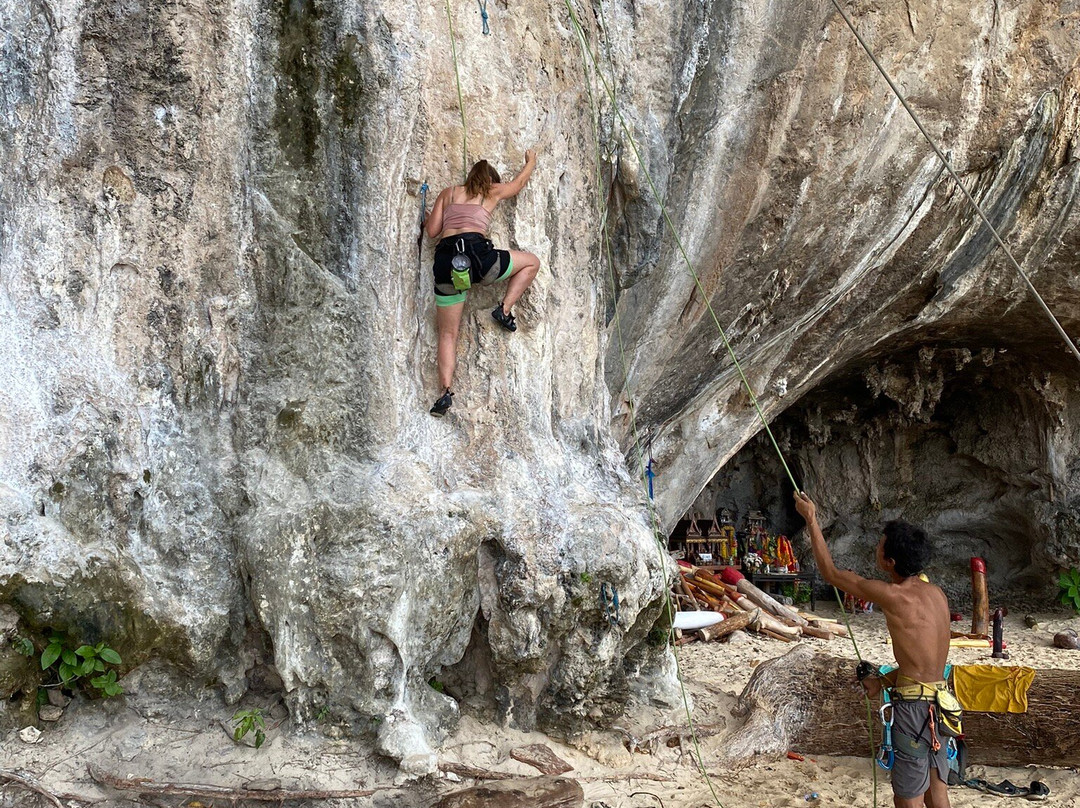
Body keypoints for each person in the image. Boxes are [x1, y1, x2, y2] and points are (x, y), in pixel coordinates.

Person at [794, 492, 954, 808]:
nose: (876, 551)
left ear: (890, 562)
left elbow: (832, 574)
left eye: (880, 548)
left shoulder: (893, 595)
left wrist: (811, 519)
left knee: (907, 796)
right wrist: (881, 681)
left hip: (914, 712)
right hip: (943, 702)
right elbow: (926, 666)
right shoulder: (938, 595)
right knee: (937, 791)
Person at [423, 151, 541, 416]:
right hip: (479, 260)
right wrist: (531, 161)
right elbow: (518, 184)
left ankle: (444, 393)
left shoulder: (449, 193)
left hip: (446, 264)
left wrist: (429, 216)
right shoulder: (491, 192)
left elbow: (431, 232)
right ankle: (505, 309)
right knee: (531, 262)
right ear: (490, 181)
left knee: (447, 334)